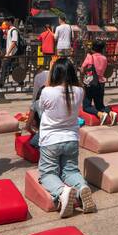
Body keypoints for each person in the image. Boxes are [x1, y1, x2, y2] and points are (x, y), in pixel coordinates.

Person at [37, 58, 95, 217]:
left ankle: (62, 192)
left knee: (47, 174)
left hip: (50, 140)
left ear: (55, 73)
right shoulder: (79, 91)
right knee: (70, 171)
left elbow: (40, 108)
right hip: (71, 139)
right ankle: (82, 188)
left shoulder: (47, 92)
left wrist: (49, 74)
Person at [79, 43, 110, 121]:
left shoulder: (90, 57)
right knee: (100, 106)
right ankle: (111, 113)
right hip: (101, 83)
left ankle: (100, 114)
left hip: (91, 83)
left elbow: (82, 69)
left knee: (86, 106)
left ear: (93, 49)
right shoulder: (104, 58)